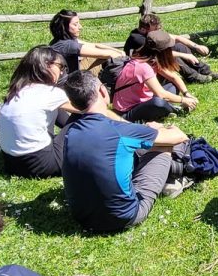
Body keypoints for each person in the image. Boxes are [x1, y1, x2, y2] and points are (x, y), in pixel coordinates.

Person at [61, 71, 191, 233]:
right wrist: (161, 128)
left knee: (127, 151)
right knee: (164, 145)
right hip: (124, 216)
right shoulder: (120, 130)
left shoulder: (70, 132)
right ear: (102, 91)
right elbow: (178, 137)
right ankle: (173, 180)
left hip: (82, 217)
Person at [0, 47, 71, 179]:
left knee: (58, 109)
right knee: (82, 116)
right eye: (60, 66)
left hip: (11, 164)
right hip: (42, 165)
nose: (61, 73)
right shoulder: (51, 93)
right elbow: (90, 108)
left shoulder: (16, 91)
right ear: (46, 65)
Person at [107, 30, 198, 122]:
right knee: (158, 102)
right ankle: (178, 110)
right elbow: (162, 95)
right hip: (127, 112)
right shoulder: (142, 66)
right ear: (162, 51)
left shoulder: (149, 59)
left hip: (144, 101)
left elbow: (174, 77)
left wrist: (187, 94)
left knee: (172, 85)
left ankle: (168, 109)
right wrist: (184, 100)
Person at [124, 13, 218, 85]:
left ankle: (205, 71)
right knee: (170, 57)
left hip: (153, 58)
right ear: (143, 29)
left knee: (179, 46)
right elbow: (160, 53)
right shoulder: (138, 38)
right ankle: (193, 77)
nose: (158, 31)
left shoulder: (150, 34)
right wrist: (186, 55)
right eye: (156, 29)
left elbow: (176, 38)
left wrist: (197, 46)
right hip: (143, 66)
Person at [48, 10, 126, 85]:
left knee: (97, 57)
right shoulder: (68, 45)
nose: (80, 27)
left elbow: (95, 45)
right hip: (67, 84)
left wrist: (118, 51)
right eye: (75, 24)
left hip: (71, 77)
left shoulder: (63, 40)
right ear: (65, 27)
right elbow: (107, 54)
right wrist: (119, 55)